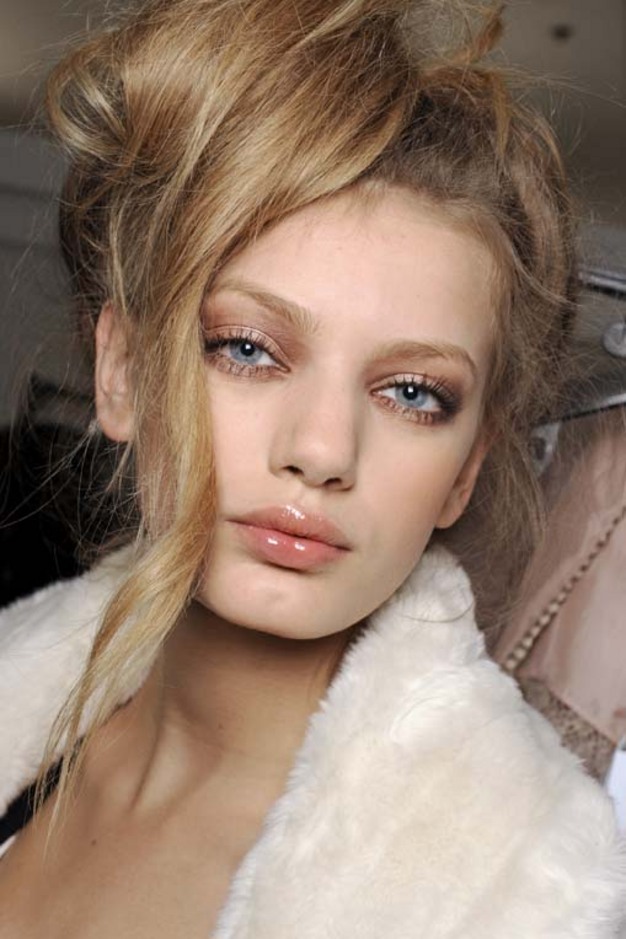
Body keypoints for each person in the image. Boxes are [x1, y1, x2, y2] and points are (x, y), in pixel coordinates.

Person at [0, 0, 624, 935]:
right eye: (248, 348)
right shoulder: (18, 683)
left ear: (466, 467)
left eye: (412, 393)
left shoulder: (526, 893)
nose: (324, 452)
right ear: (122, 371)